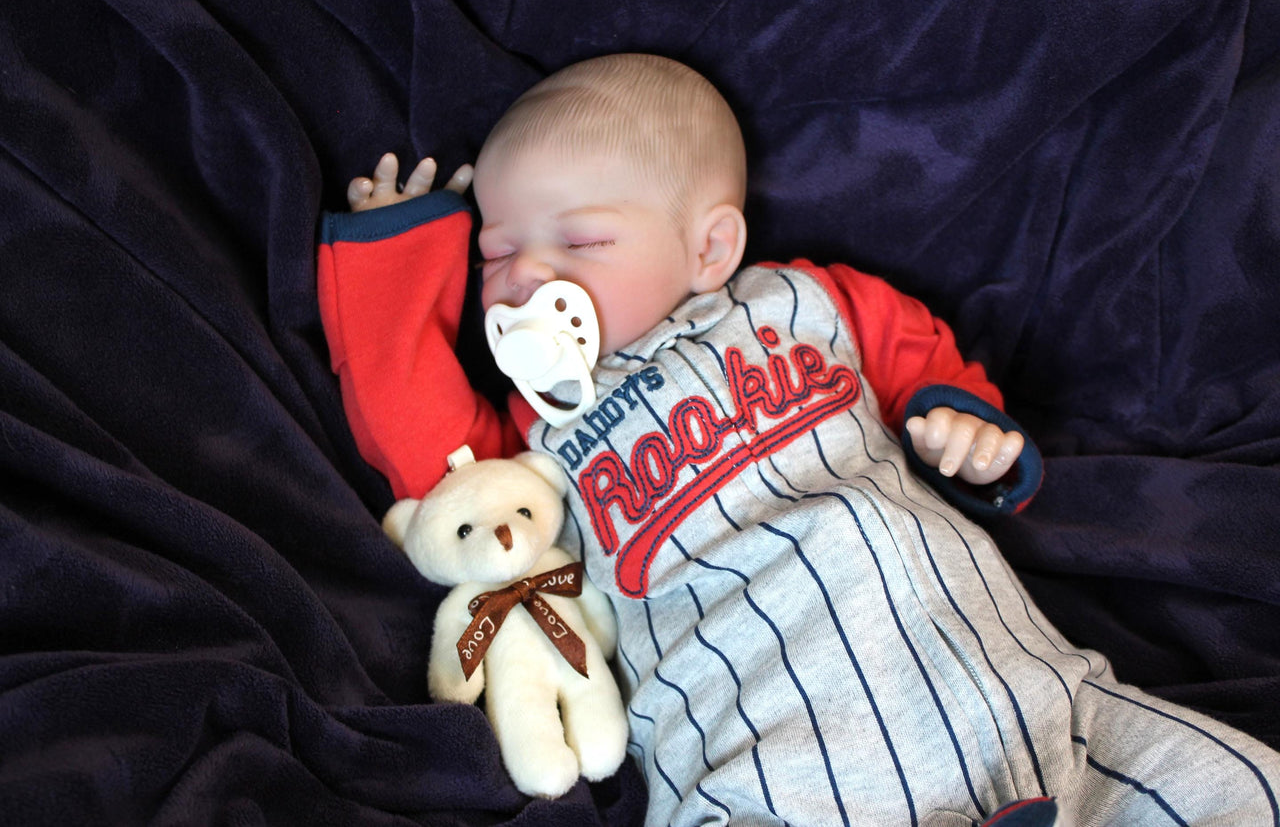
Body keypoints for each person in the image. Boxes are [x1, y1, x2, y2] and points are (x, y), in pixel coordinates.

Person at [317, 54, 1280, 826]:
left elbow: (918, 356)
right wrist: (399, 259)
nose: (525, 274)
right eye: (495, 250)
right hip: (772, 758)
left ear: (710, 248)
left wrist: (966, 428)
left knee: (1231, 781)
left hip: (1015, 692)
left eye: (580, 243)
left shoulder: (806, 302)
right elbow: (423, 440)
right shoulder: (541, 432)